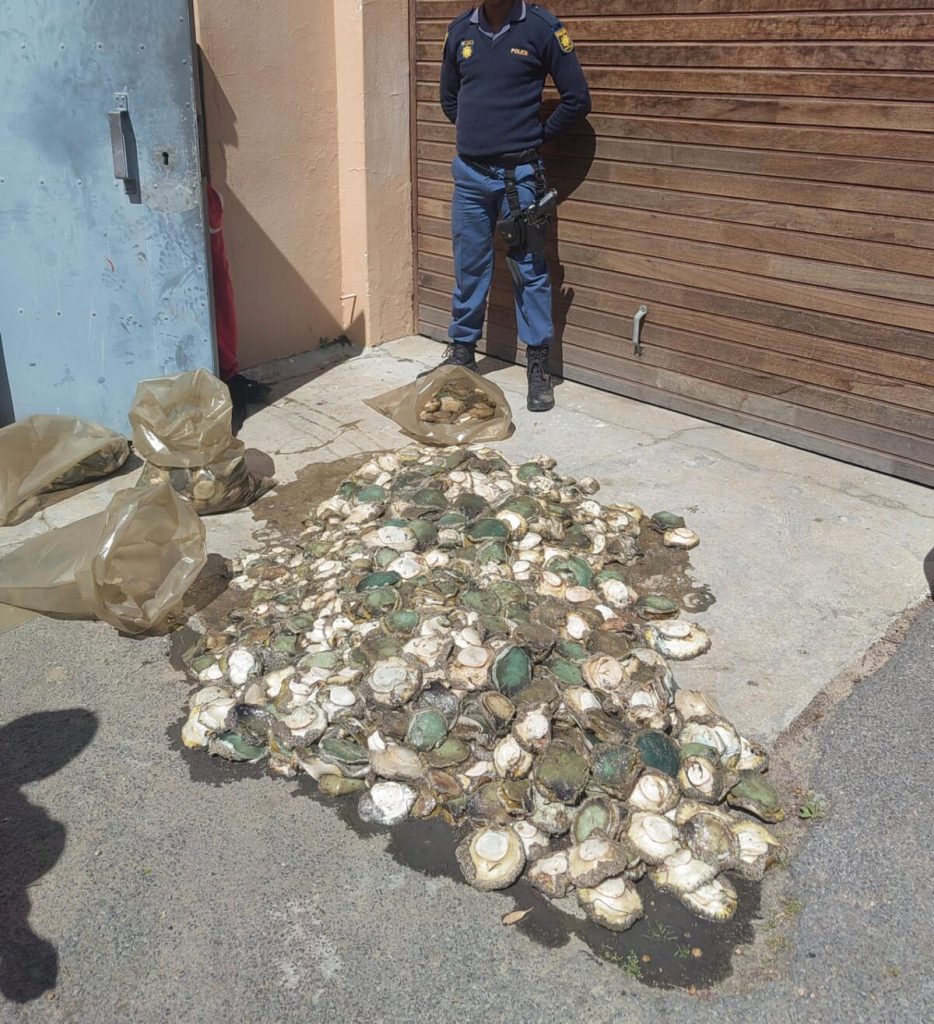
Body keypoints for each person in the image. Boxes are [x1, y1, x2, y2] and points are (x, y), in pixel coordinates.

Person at [427, 1, 590, 412]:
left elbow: (576, 99)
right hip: (470, 176)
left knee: (530, 269)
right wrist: (478, 136)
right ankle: (462, 352)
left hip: (520, 179)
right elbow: (450, 100)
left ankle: (538, 366)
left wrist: (533, 138)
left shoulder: (542, 28)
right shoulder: (459, 31)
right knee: (468, 266)